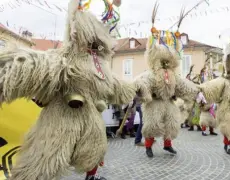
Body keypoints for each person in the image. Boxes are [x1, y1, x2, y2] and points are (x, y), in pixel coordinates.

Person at [0, 0, 136, 179]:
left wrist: (136, 87)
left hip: (91, 120)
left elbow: (115, 86)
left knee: (94, 151)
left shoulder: (102, 65)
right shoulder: (65, 57)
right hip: (62, 120)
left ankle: (92, 176)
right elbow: (35, 65)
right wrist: (7, 69)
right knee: (46, 159)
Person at [134, 3, 198, 158]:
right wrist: (143, 90)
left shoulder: (173, 74)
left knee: (172, 124)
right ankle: (148, 146)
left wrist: (196, 90)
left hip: (169, 102)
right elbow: (143, 82)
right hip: (154, 103)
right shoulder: (152, 73)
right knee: (151, 125)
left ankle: (168, 145)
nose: (165, 64)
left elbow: (183, 85)